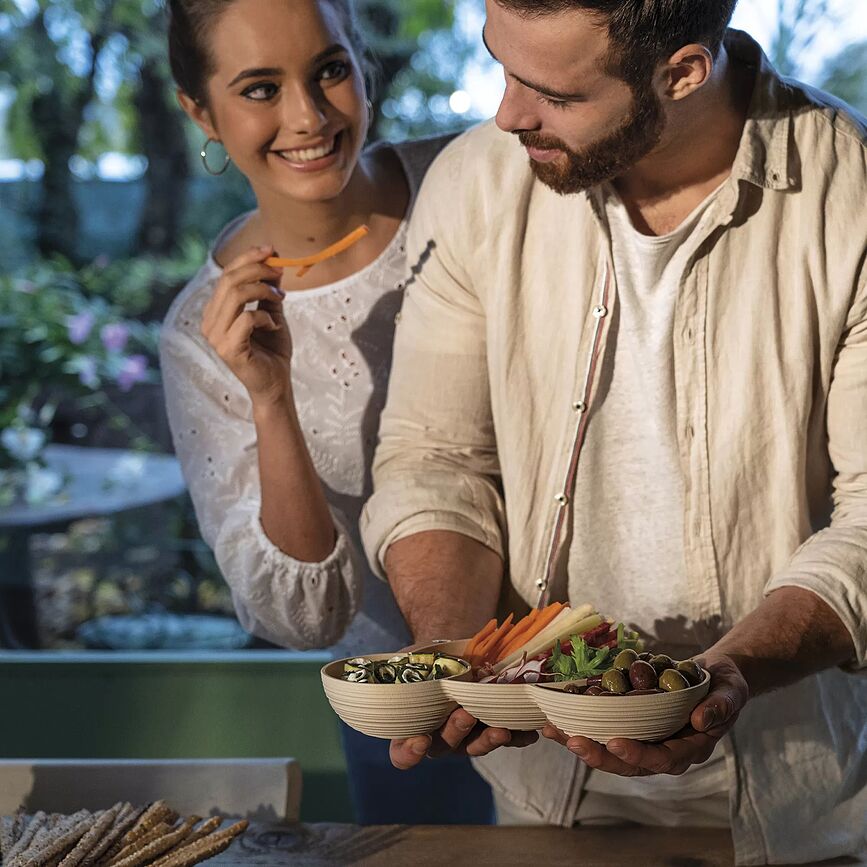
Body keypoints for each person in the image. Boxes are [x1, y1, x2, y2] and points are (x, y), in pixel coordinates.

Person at [360, 0, 867, 862]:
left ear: (681, 72)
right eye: (500, 64)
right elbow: (434, 458)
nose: (505, 113)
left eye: (551, 91)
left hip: (795, 800)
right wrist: (456, 648)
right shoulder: (475, 179)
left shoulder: (851, 190)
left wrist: (728, 674)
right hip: (538, 793)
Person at [158, 0, 493, 825]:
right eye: (259, 88)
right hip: (414, 719)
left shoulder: (476, 180)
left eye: (329, 71)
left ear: (362, 66)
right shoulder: (201, 337)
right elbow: (307, 617)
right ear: (200, 110)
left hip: (590, 666)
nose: (307, 117)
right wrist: (271, 398)